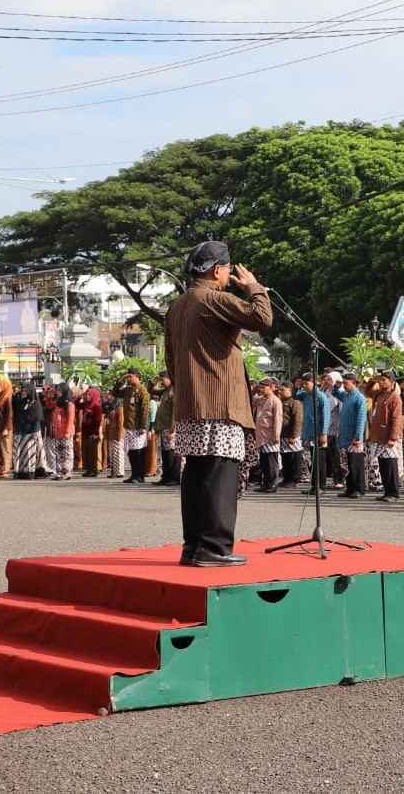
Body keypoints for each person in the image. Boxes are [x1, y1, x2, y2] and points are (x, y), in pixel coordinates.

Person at [163, 241, 273, 568]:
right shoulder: (214, 298)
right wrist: (254, 287)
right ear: (216, 270)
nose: (229, 275)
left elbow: (170, 359)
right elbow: (262, 318)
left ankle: (193, 546)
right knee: (220, 475)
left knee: (196, 474)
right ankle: (214, 547)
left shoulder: (178, 305)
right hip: (220, 404)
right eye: (227, 270)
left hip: (191, 404)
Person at [366, 372, 404, 503]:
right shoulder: (379, 395)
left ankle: (393, 492)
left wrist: (393, 437)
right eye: (380, 380)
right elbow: (367, 391)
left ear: (392, 382)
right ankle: (387, 491)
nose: (381, 382)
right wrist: (372, 380)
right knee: (383, 464)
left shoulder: (395, 398)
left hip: (389, 436)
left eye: (384, 380)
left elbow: (396, 418)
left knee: (390, 464)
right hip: (378, 435)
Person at [294, 373, 334, 488]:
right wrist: (298, 386)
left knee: (319, 460)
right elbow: (296, 395)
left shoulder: (321, 397)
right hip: (309, 432)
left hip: (318, 432)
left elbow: (326, 416)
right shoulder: (306, 395)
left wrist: (324, 433)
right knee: (313, 460)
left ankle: (320, 485)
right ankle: (314, 485)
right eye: (304, 383)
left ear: (314, 382)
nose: (305, 385)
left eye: (307, 383)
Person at [335, 373, 369, 499]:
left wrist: (358, 436)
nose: (344, 386)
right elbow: (337, 394)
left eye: (346, 383)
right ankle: (350, 488)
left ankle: (358, 489)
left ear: (354, 383)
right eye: (343, 383)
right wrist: (336, 387)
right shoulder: (347, 395)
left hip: (354, 437)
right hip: (344, 436)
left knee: (356, 465)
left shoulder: (359, 398)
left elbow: (361, 419)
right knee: (347, 465)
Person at [251, 377, 284, 493]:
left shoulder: (275, 401)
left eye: (264, 387)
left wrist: (276, 436)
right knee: (264, 461)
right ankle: (266, 484)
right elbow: (252, 402)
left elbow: (277, 420)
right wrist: (254, 390)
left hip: (270, 436)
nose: (261, 389)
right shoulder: (260, 399)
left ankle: (272, 484)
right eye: (260, 386)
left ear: (271, 388)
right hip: (261, 435)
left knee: (271, 462)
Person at [117, 372, 151, 484]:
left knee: (139, 452)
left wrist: (142, 426)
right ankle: (134, 474)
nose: (129, 378)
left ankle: (140, 476)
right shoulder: (128, 390)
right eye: (128, 376)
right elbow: (115, 392)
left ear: (137, 377)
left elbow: (144, 410)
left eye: (131, 376)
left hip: (137, 427)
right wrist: (121, 380)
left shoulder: (142, 391)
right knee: (131, 452)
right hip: (129, 426)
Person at [12, 382, 43, 480]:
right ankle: (21, 472)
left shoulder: (35, 403)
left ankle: (29, 472)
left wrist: (35, 432)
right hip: (21, 430)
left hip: (31, 431)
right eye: (22, 390)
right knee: (20, 453)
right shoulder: (21, 401)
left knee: (30, 453)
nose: (23, 392)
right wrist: (15, 395)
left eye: (25, 390)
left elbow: (37, 418)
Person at [152, 373, 179, 486]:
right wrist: (154, 381)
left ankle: (174, 477)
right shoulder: (164, 391)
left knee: (171, 453)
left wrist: (173, 428)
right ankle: (166, 477)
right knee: (165, 453)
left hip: (169, 427)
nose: (162, 381)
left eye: (164, 379)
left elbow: (174, 411)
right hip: (163, 426)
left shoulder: (173, 391)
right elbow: (152, 390)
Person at [46, 383, 76, 481]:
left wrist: (67, 431)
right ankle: (59, 472)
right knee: (58, 452)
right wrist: (49, 395)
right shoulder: (58, 402)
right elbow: (49, 405)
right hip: (57, 430)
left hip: (66, 431)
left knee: (66, 452)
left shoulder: (69, 403)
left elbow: (70, 418)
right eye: (57, 390)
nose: (57, 392)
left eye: (59, 390)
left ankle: (66, 472)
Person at [279, 381, 305, 488]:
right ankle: (287, 478)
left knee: (294, 457)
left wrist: (294, 435)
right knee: (286, 458)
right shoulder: (280, 402)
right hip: (283, 434)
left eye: (283, 389)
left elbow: (297, 420)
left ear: (290, 390)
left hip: (291, 435)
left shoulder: (295, 403)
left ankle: (294, 479)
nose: (280, 391)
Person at [78, 385, 104, 478]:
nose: (87, 396)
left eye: (89, 395)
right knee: (87, 452)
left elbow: (98, 421)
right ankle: (89, 469)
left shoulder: (96, 406)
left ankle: (94, 470)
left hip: (92, 433)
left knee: (93, 453)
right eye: (87, 394)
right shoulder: (86, 405)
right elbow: (76, 404)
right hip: (85, 432)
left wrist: (96, 433)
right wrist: (80, 396)